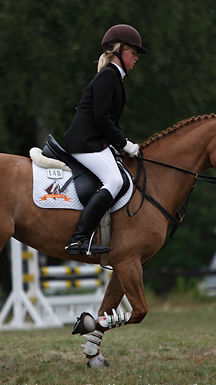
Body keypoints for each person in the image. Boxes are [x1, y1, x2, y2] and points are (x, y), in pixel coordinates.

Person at [63, 24, 145, 255]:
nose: (136, 59)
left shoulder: (114, 78)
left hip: (94, 141)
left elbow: (108, 121)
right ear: (118, 51)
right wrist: (124, 143)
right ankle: (79, 238)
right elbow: (101, 119)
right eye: (133, 53)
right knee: (115, 181)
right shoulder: (108, 76)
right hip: (84, 143)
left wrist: (120, 144)